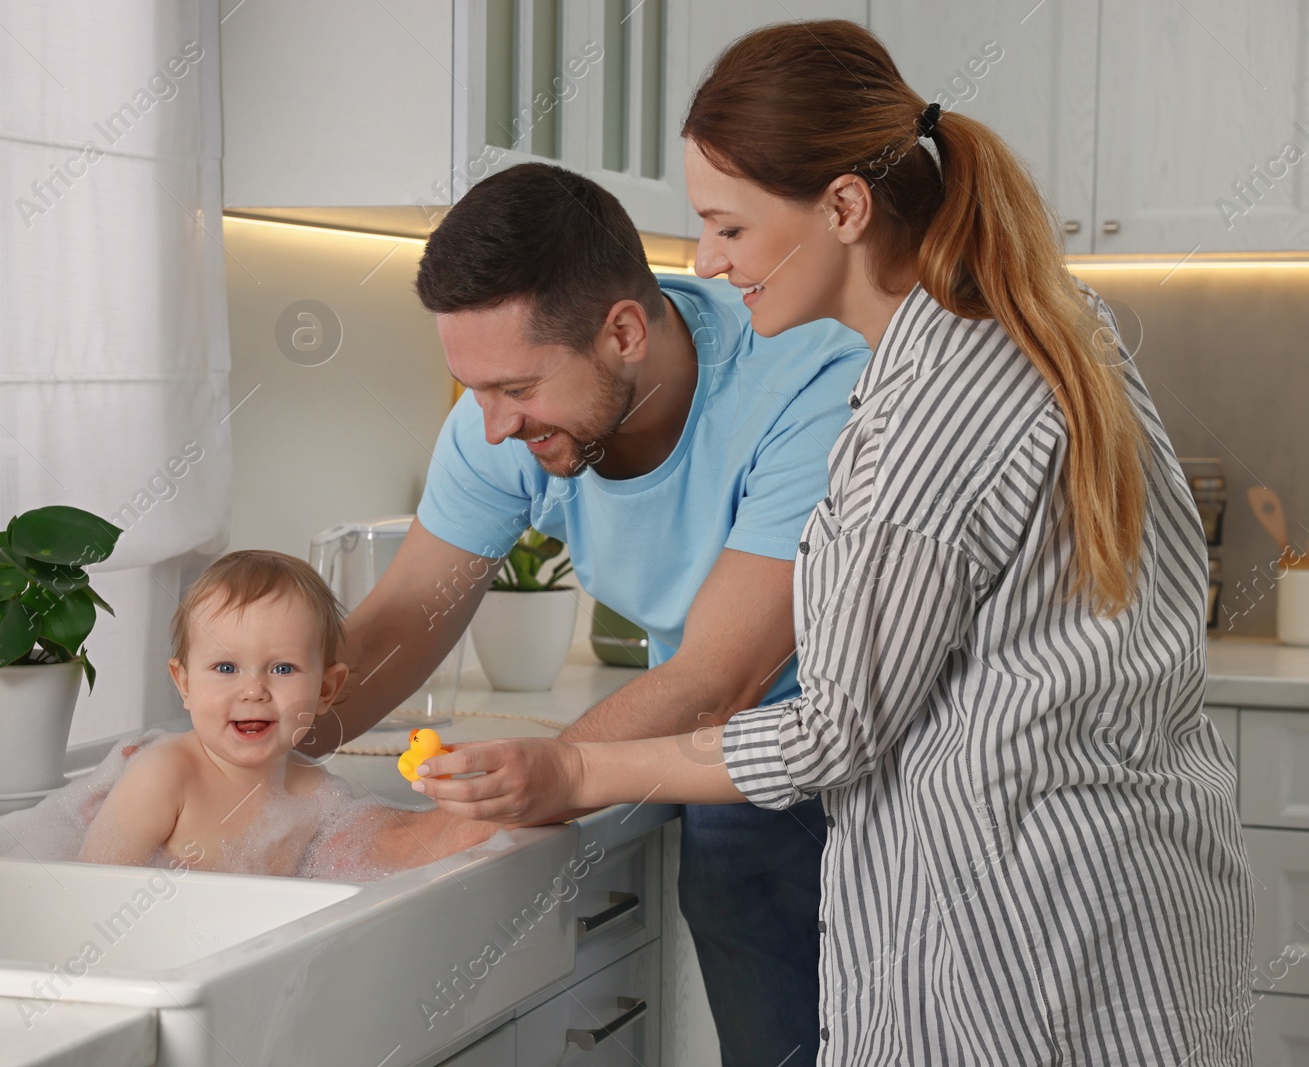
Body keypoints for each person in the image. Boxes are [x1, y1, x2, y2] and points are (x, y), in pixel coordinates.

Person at [411, 21, 1254, 1066]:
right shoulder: (1037, 321)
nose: (707, 262)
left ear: (845, 209)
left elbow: (828, 733)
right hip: (1127, 887)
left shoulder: (924, 414)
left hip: (1017, 931)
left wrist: (576, 769)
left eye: (727, 227)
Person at [303, 161, 868, 1064]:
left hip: (839, 747)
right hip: (709, 724)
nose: (491, 425)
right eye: (474, 390)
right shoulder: (507, 417)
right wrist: (259, 739)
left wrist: (479, 813)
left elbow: (720, 678)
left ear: (623, 332)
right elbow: (409, 611)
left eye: (516, 391)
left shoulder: (809, 383)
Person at [79, 550, 494, 875]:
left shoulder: (315, 792)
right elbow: (91, 891)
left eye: (282, 668)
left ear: (325, 690)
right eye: (226, 668)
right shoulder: (163, 776)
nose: (254, 690)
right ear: (184, 683)